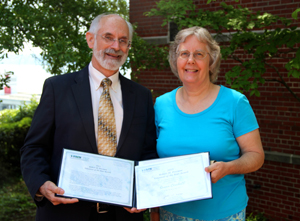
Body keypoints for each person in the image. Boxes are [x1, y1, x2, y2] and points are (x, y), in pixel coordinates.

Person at [20, 13, 157, 221]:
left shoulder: (142, 96)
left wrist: (145, 193)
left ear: (128, 47)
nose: (116, 46)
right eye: (108, 37)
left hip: (122, 215)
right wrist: (41, 184)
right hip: (64, 213)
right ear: (90, 39)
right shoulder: (57, 88)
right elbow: (34, 148)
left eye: (123, 41)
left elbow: (147, 154)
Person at [152, 26, 264, 221]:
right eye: (184, 53)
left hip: (224, 214)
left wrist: (228, 168)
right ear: (175, 60)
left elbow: (256, 156)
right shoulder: (161, 105)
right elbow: (152, 158)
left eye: (199, 54)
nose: (190, 60)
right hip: (171, 213)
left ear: (211, 61)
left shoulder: (235, 102)